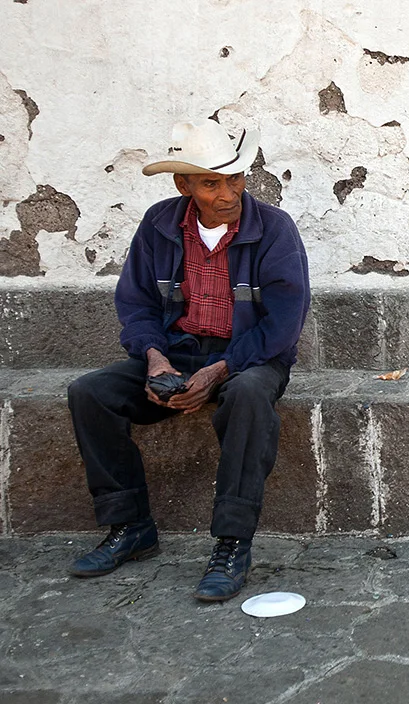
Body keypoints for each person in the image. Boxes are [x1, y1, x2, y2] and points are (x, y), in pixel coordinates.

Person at [66, 120, 310, 602]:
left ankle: (232, 543)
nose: (228, 193)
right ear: (185, 185)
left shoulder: (274, 229)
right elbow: (135, 304)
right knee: (90, 393)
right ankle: (130, 527)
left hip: (249, 359)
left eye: (235, 179)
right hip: (175, 355)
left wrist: (219, 369)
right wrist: (156, 359)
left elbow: (283, 324)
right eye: (212, 183)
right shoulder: (159, 225)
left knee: (247, 395)